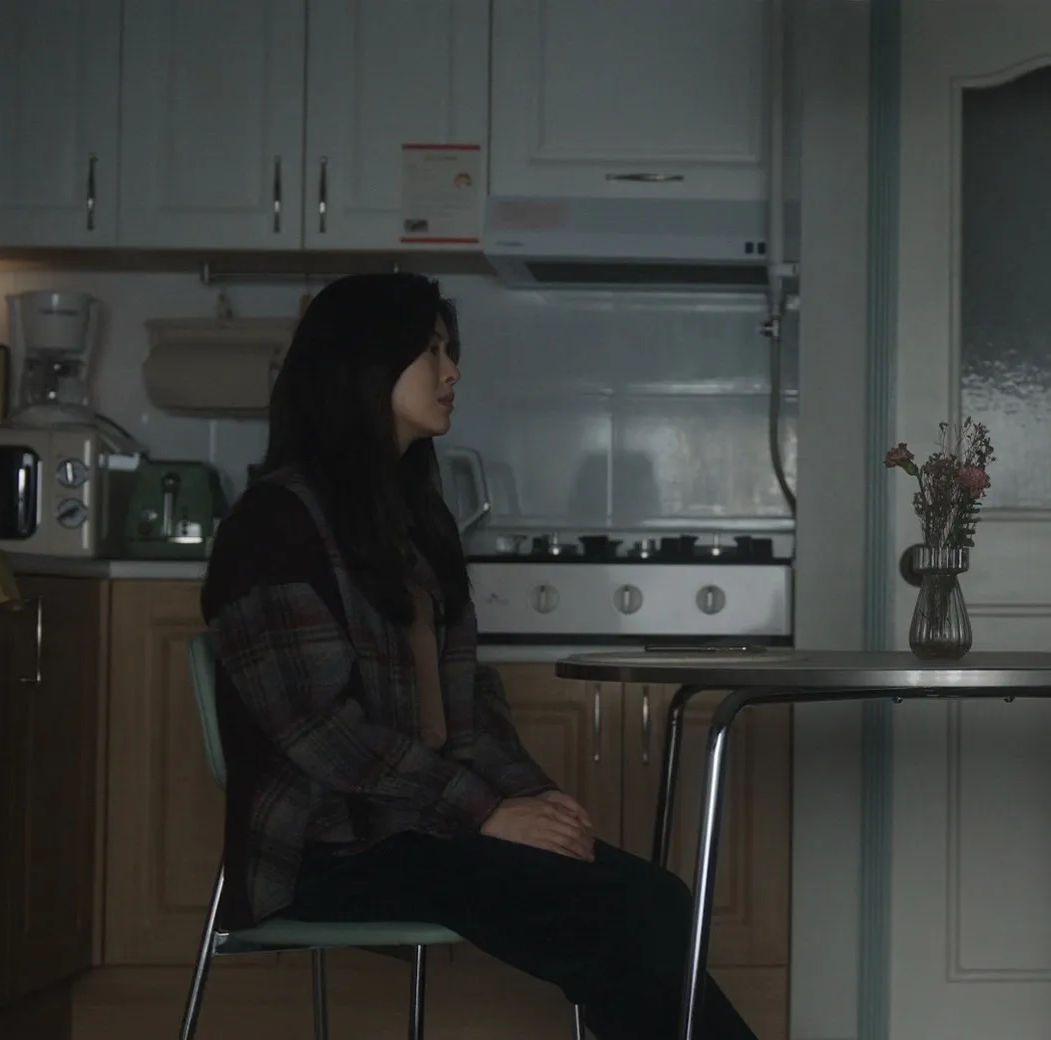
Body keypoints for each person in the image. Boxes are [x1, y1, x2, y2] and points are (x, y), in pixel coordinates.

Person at [200, 273, 757, 1040]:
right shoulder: (273, 526)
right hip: (328, 850)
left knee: (657, 900)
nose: (453, 371)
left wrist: (534, 801)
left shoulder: (411, 518)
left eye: (449, 351)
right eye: (430, 351)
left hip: (418, 827)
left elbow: (469, 702)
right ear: (364, 363)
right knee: (613, 915)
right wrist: (488, 812)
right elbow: (318, 730)